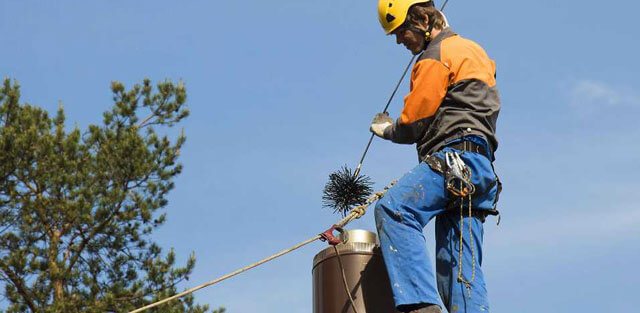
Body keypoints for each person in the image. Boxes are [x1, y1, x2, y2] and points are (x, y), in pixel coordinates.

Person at [370, 1, 501, 312]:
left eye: (401, 30)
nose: (399, 40)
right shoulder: (473, 51)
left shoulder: (436, 56)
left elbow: (416, 120)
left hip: (455, 159)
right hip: (479, 169)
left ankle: (420, 305)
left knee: (394, 209)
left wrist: (389, 128)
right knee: (458, 266)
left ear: (424, 19)